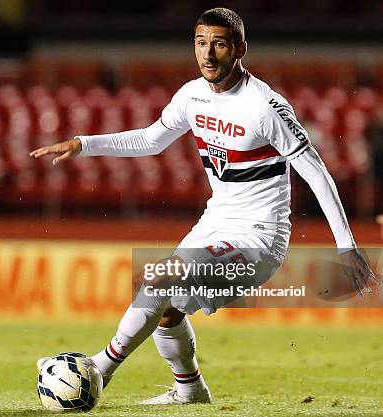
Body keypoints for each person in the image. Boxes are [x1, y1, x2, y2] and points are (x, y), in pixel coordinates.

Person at [30, 8, 380, 405]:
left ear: (239, 49)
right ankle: (190, 390)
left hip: (258, 238)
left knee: (158, 281)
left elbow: (316, 173)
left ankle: (98, 369)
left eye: (219, 43)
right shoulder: (192, 94)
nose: (208, 54)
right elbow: (151, 140)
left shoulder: (266, 107)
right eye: (200, 43)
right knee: (165, 307)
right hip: (214, 223)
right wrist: (84, 144)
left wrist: (346, 245)